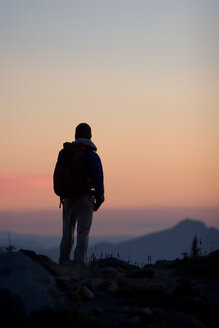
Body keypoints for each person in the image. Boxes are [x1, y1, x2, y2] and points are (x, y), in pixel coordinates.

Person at [59, 123, 104, 265]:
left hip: (67, 198)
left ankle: (63, 263)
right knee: (83, 234)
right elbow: (98, 179)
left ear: (75, 135)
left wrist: (62, 193)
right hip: (85, 198)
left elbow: (59, 175)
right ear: (90, 135)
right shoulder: (93, 156)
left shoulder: (66, 153)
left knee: (67, 232)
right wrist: (99, 199)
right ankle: (79, 264)